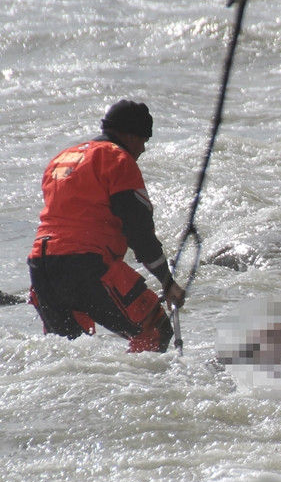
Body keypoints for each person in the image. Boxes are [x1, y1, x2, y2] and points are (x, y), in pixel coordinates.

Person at [27, 99, 185, 352]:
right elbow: (138, 230)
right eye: (143, 141)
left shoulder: (62, 159)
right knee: (155, 331)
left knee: (71, 353)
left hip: (41, 267)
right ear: (131, 136)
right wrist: (167, 282)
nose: (143, 149)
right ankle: (140, 379)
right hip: (86, 266)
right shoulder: (118, 159)